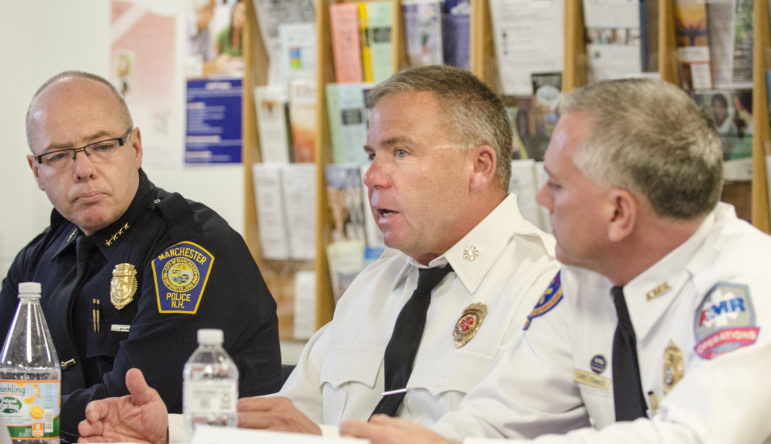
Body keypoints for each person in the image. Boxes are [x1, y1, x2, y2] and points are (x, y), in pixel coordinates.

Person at [77, 65, 560, 443]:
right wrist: (171, 432)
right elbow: (281, 424)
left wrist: (320, 442)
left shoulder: (546, 287)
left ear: (479, 166)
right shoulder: (374, 287)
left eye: (401, 153)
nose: (372, 177)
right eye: (372, 154)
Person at [340, 78, 771, 443]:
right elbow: (501, 417)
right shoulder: (584, 280)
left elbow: (689, 437)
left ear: (618, 213)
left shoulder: (748, 282)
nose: (541, 200)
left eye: (557, 186)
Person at [0, 70, 283, 439]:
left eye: (102, 146)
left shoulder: (191, 248)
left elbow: (123, 407)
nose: (83, 170)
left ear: (135, 148)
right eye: (58, 155)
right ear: (36, 170)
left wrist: (17, 410)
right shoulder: (40, 256)